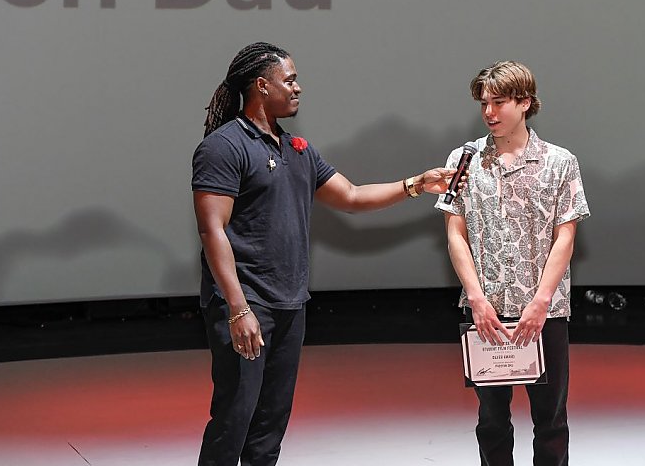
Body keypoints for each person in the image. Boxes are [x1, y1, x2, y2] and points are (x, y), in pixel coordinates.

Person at [191, 42, 456, 466]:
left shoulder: (296, 148)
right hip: (245, 304)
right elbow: (212, 230)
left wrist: (415, 184)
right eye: (290, 79)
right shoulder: (224, 147)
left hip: (290, 304)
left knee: (271, 423)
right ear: (262, 85)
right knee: (234, 417)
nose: (298, 87)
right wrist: (239, 310)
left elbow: (351, 195)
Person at [436, 61, 590, 466]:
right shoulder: (463, 158)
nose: (489, 112)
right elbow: (455, 233)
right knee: (491, 420)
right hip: (486, 311)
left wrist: (540, 302)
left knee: (551, 419)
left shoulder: (560, 162)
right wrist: (476, 298)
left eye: (499, 102)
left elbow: (566, 237)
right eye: (483, 103)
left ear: (524, 102)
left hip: (546, 312)